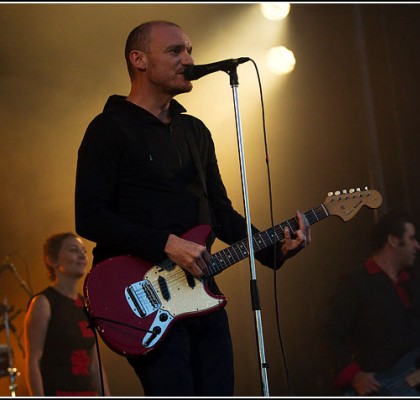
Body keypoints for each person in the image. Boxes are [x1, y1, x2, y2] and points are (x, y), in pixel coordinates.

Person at [74, 20, 311, 396]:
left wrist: (273, 248)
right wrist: (165, 244)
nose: (188, 59)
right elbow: (89, 217)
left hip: (201, 293)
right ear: (139, 59)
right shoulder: (108, 129)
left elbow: (219, 212)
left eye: (189, 49)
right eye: (175, 51)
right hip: (141, 296)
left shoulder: (195, 131)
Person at [323, 212, 420, 396]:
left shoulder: (411, 286)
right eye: (412, 238)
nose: (417, 246)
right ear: (394, 240)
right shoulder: (356, 284)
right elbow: (330, 334)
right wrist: (354, 376)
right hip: (380, 388)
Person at [23, 232, 110, 396]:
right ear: (51, 259)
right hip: (58, 391)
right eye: (73, 250)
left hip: (88, 392)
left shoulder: (87, 304)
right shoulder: (43, 302)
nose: (82, 255)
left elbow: (94, 365)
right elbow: (33, 361)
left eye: (83, 251)